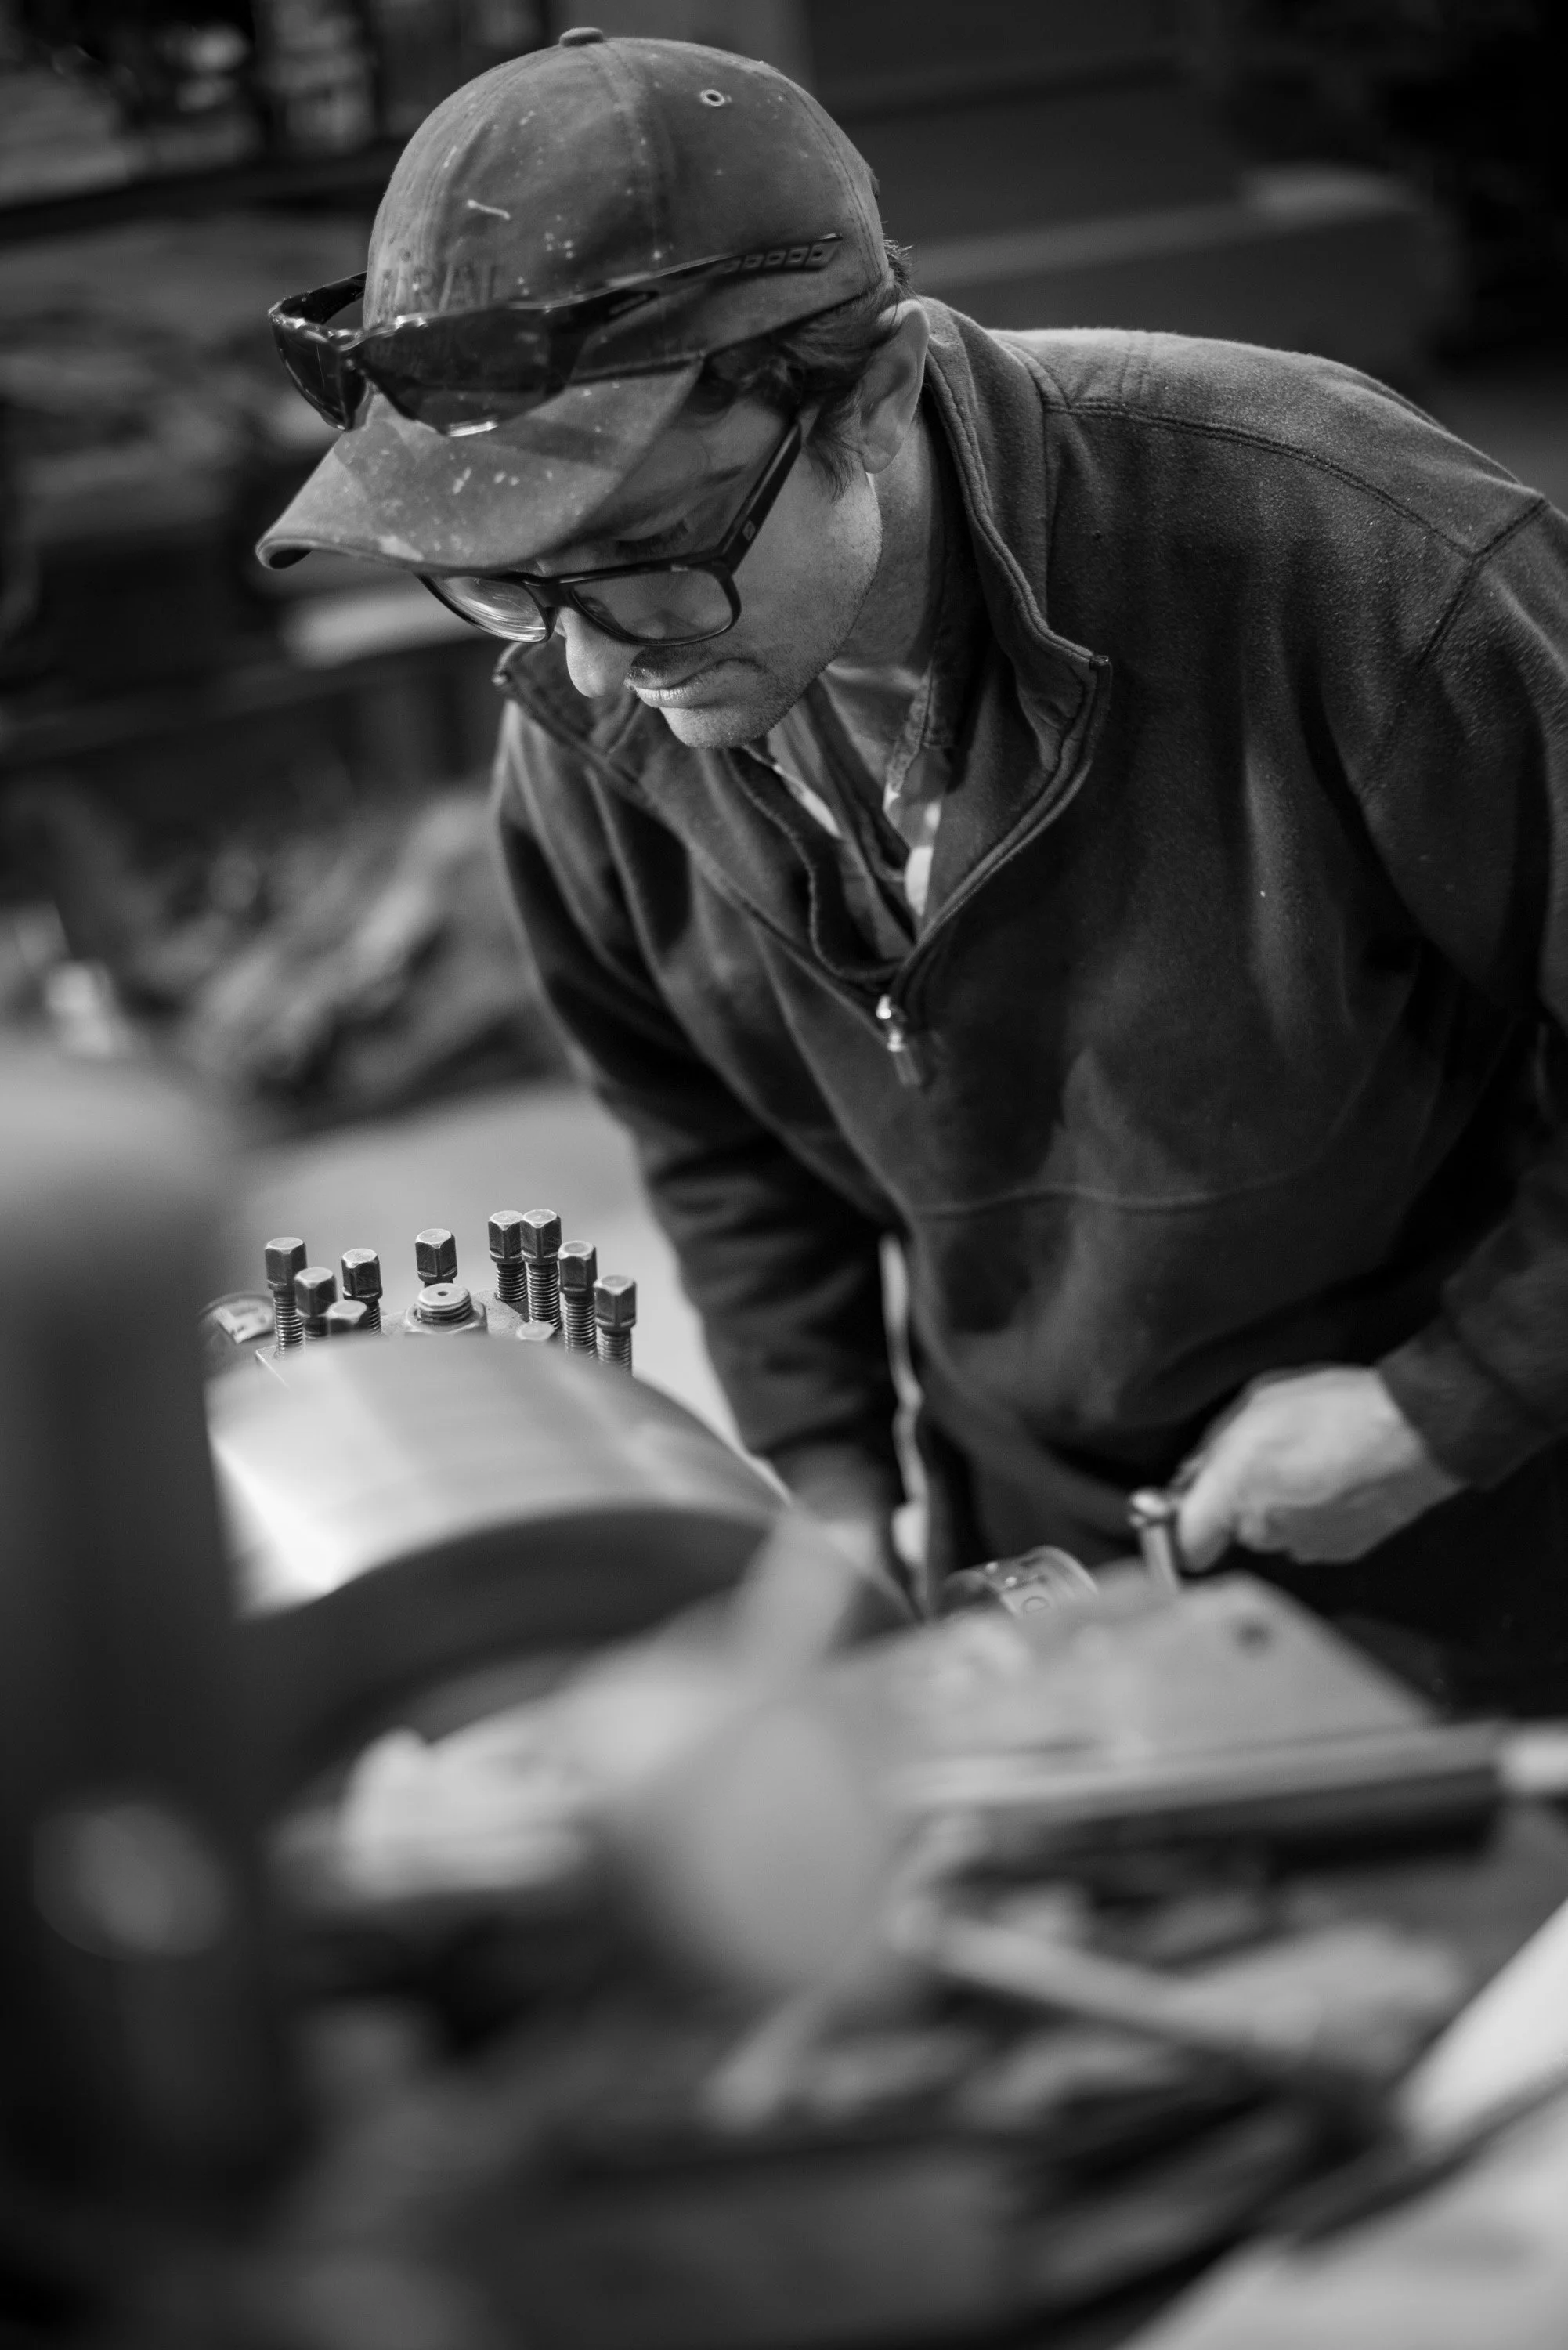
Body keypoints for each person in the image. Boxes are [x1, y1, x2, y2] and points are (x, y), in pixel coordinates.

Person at [260, 30, 1568, 1710]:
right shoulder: (597, 689)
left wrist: (1442, 1406)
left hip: (1477, 1504)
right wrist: (829, 1479)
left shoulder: (1352, 561)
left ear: (866, 403)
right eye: (520, 586)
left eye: (648, 557)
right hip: (1038, 1499)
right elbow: (710, 1132)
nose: (589, 673)